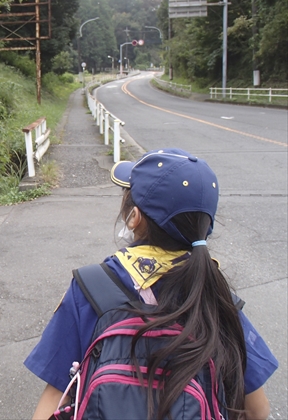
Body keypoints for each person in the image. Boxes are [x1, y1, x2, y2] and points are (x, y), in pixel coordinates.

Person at [24, 148, 278, 420]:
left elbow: (54, 395)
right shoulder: (215, 293)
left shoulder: (91, 287)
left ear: (133, 217)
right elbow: (257, 410)